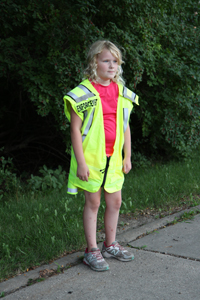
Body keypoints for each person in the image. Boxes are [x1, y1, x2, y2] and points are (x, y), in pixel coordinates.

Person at [63, 40, 139, 272]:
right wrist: (81, 163)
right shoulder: (83, 92)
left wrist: (127, 155)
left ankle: (110, 244)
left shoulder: (121, 92)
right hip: (92, 159)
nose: (111, 65)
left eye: (115, 61)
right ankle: (91, 250)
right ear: (94, 62)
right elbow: (75, 129)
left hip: (114, 157)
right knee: (93, 202)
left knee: (115, 201)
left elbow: (124, 125)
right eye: (106, 60)